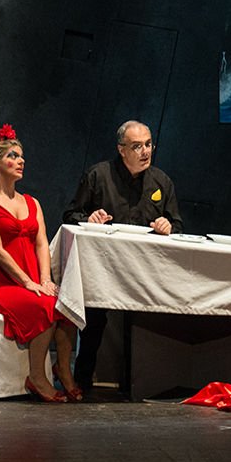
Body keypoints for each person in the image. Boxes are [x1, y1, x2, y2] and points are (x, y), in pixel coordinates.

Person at [62, 120, 183, 390]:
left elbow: (177, 224)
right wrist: (89, 219)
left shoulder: (161, 181)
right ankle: (83, 378)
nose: (145, 152)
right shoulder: (98, 175)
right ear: (121, 149)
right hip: (104, 266)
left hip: (146, 270)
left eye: (149, 145)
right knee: (94, 317)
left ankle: (150, 382)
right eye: (137, 146)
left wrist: (168, 226)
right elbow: (70, 215)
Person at [0, 124, 80, 403]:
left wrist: (45, 280)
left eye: (22, 157)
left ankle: (63, 370)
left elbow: (42, 243)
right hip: (0, 286)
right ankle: (37, 377)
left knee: (66, 304)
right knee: (45, 306)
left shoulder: (32, 202)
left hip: (33, 280)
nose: (21, 161)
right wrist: (27, 282)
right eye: (13, 156)